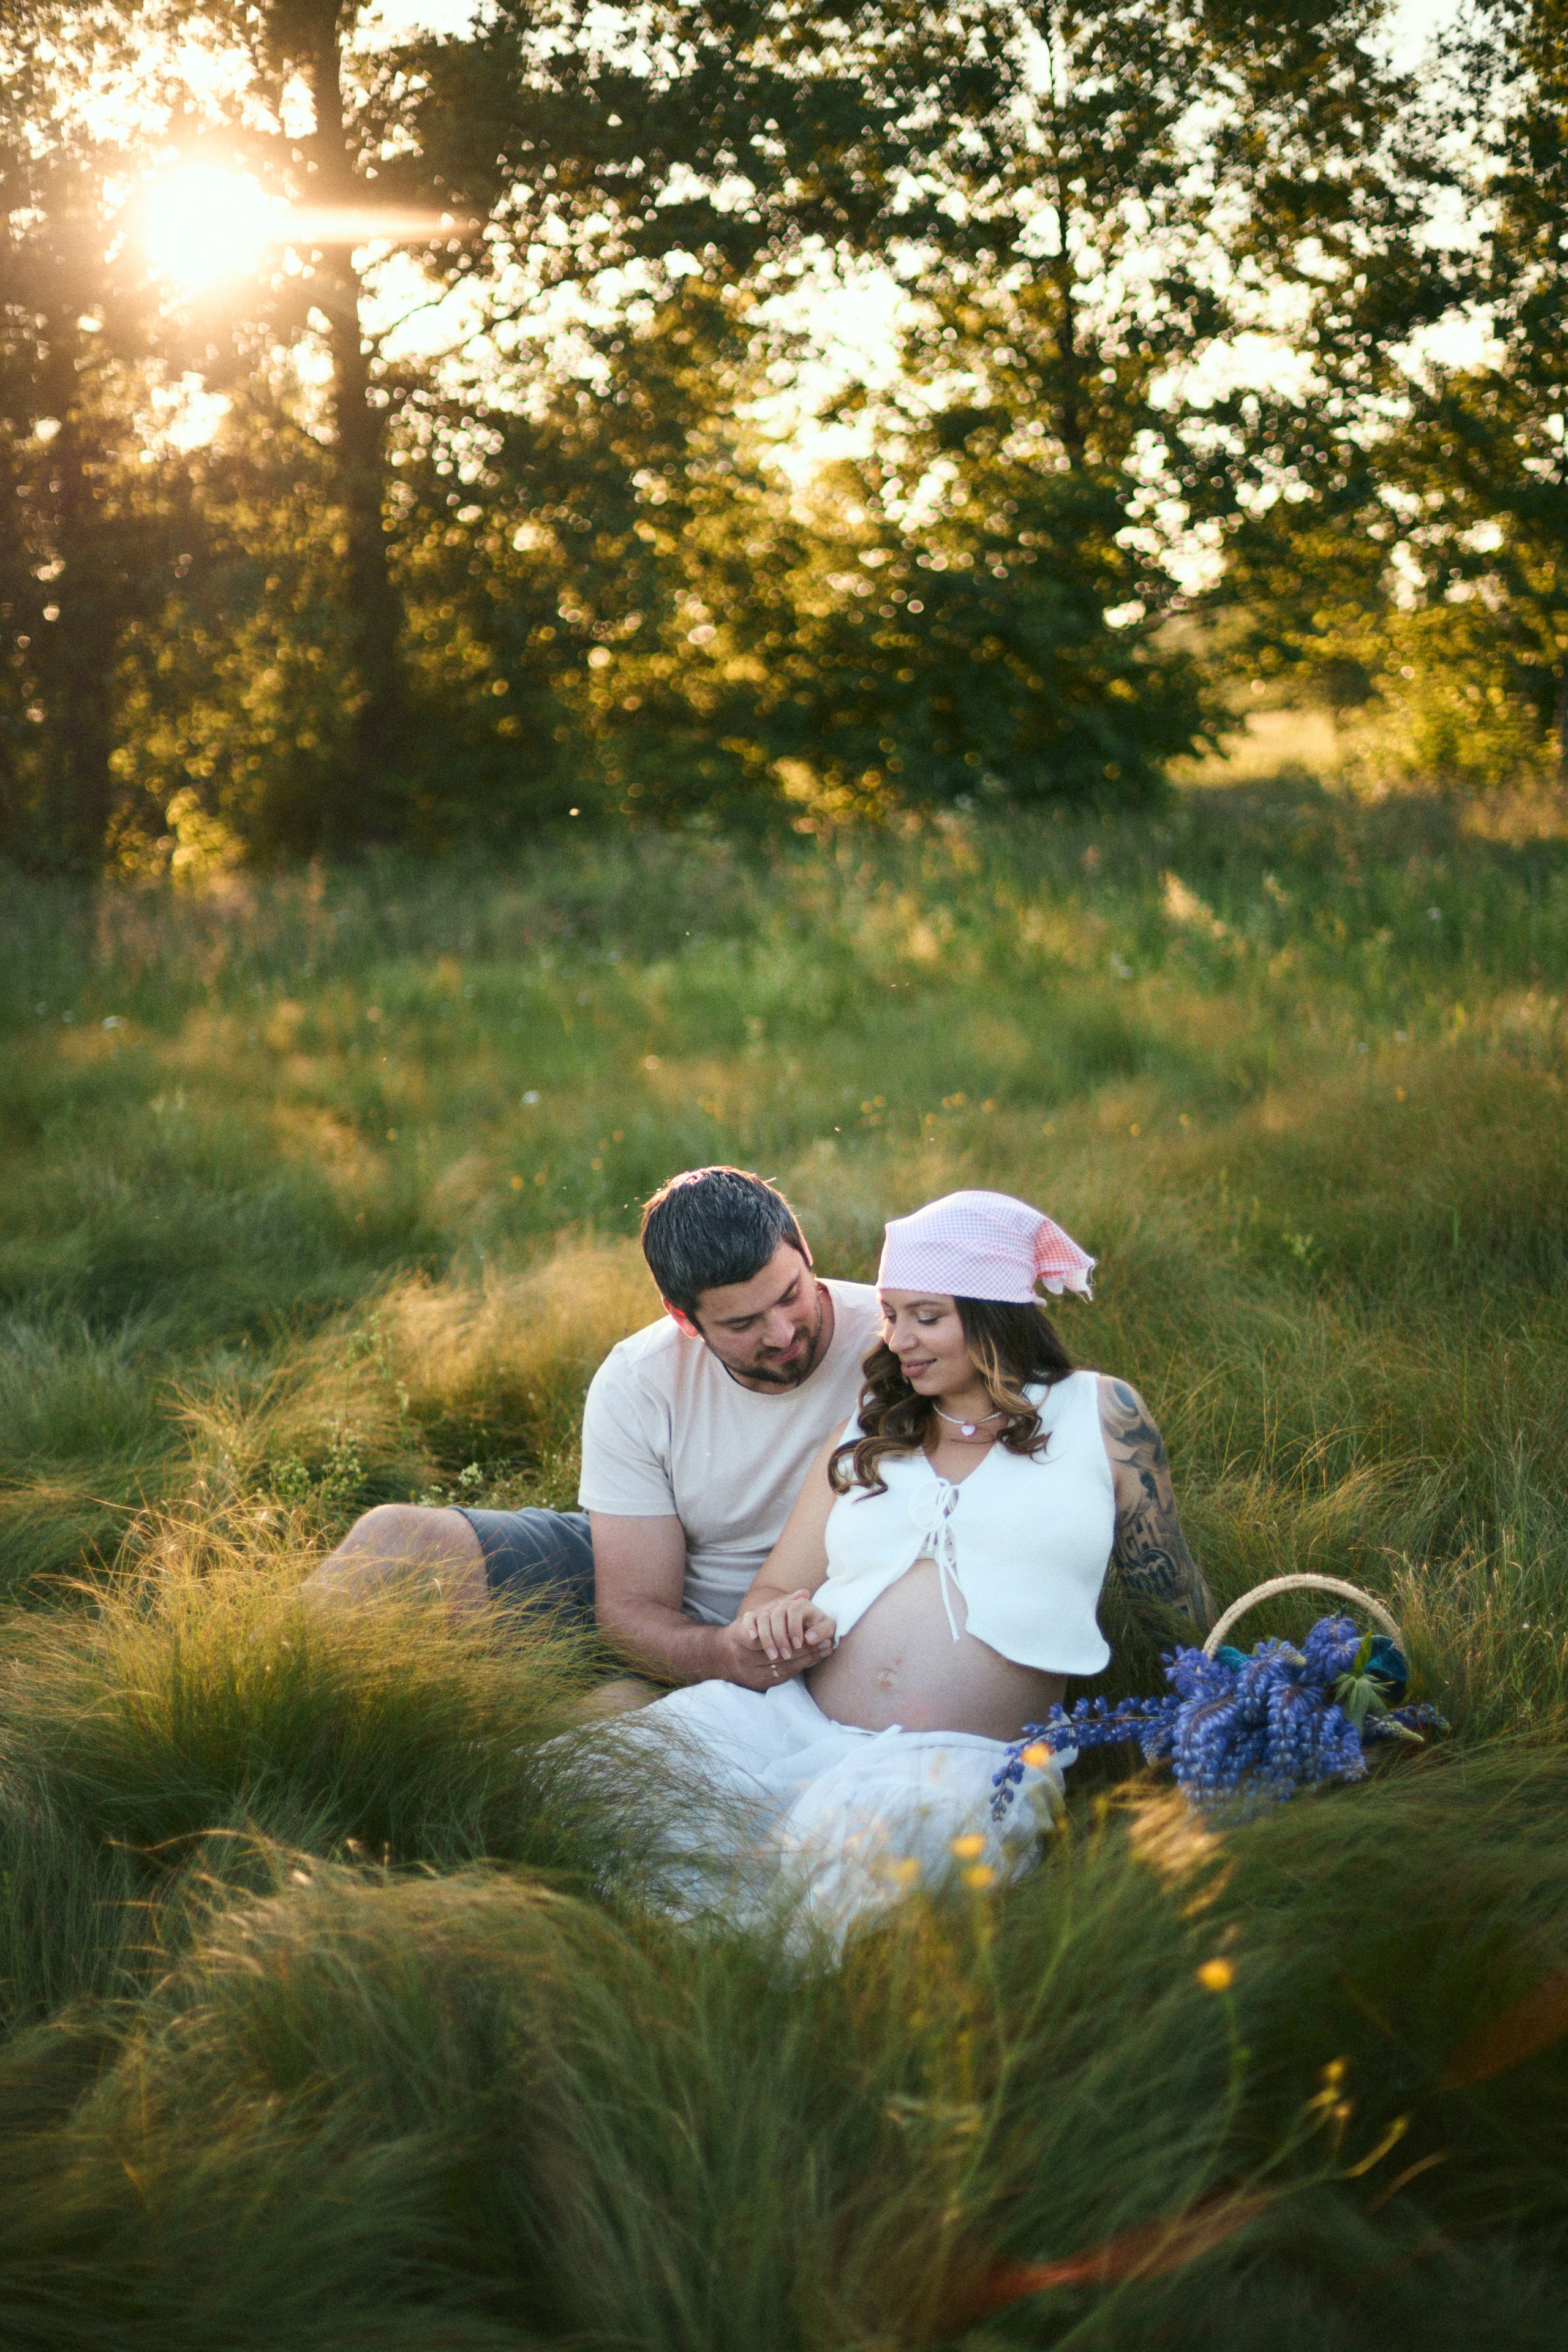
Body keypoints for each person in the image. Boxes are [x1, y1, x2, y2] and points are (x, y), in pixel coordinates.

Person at [581, 1188, 1214, 1945]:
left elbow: (1174, 1601)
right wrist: (777, 1621)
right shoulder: (875, 1424)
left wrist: (1229, 1695)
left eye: (927, 1316)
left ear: (992, 1310)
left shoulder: (1098, 1415)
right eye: (890, 1316)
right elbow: (772, 1592)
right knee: (592, 1783)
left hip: (960, 1761)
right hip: (792, 1720)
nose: (898, 1340)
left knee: (859, 1875)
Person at [303, 1167, 884, 1692]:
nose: (782, 1333)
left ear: (805, 1252)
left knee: (596, 1740)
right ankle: (253, 1703)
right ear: (683, 1318)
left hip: (825, 1619)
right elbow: (633, 1607)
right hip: (680, 1613)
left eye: (790, 1295)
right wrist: (722, 1656)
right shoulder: (640, 1381)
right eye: (742, 1323)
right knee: (396, 1544)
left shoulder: (899, 1344)